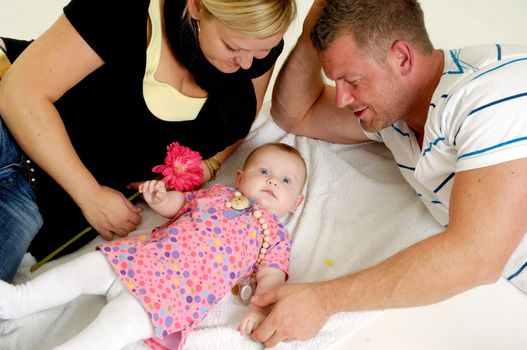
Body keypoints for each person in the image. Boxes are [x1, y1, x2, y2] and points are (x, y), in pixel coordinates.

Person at [249, 0, 527, 347]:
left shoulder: (493, 94)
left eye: (351, 80)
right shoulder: (392, 113)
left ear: (402, 58)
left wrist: (323, 301)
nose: (342, 98)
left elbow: (477, 256)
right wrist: (311, 32)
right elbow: (295, 115)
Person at [0, 0, 296, 281]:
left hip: (36, 198)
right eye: (233, 47)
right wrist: (89, 194)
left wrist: (211, 165)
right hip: (11, 130)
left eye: (262, 52)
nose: (246, 64)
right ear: (195, 6)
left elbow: (239, 124)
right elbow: (21, 93)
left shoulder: (255, 46)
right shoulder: (123, 10)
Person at [0, 142, 307, 350]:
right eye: (263, 172)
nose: (272, 182)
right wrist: (160, 198)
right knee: (81, 271)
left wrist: (258, 309)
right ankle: (19, 299)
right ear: (240, 177)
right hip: (140, 258)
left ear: (297, 203)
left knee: (110, 332)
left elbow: (272, 276)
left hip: (171, 297)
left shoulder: (275, 236)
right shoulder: (217, 194)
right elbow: (180, 205)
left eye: (286, 181)